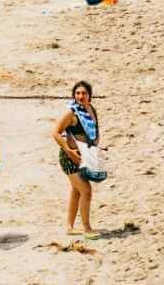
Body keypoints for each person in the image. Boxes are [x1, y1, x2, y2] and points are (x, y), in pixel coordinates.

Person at [53, 81, 101, 236]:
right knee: (86, 190)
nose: (80, 96)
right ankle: (87, 228)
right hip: (70, 157)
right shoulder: (71, 113)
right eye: (77, 93)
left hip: (85, 156)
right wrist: (69, 151)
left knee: (76, 191)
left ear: (89, 96)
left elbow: (94, 132)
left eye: (84, 93)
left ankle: (69, 227)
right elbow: (55, 133)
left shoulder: (91, 109)